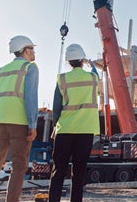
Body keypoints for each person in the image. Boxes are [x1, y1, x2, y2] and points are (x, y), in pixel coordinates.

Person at [0, 35, 39, 202]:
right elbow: (30, 98)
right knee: (19, 165)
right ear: (25, 50)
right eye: (32, 49)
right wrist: (32, 124)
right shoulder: (30, 68)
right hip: (19, 122)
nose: (34, 52)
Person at [48, 43, 100, 202]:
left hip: (64, 130)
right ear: (82, 60)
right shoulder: (92, 78)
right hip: (85, 131)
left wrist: (55, 126)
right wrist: (91, 65)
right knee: (79, 173)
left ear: (68, 62)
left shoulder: (62, 78)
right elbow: (95, 73)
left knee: (58, 171)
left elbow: (56, 108)